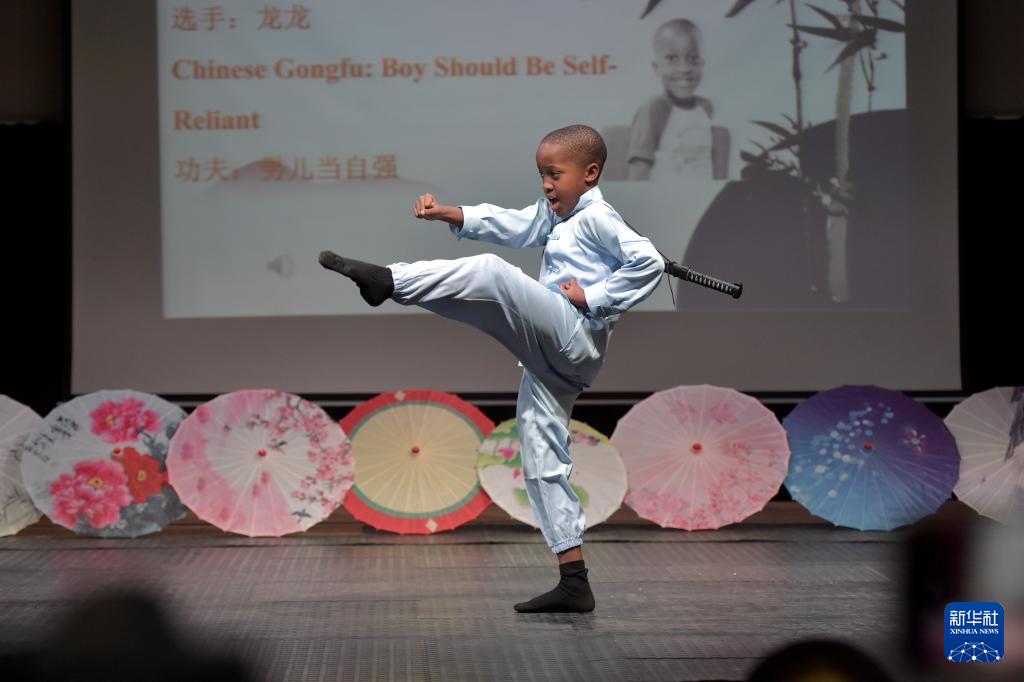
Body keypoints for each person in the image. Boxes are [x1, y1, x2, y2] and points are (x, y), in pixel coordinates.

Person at [319, 124, 664, 613]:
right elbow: (515, 224)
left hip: (574, 335)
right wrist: (450, 213)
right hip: (556, 356)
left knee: (491, 273)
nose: (546, 184)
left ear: (589, 173)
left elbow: (647, 263)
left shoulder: (599, 218)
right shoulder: (558, 215)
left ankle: (390, 281)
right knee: (541, 457)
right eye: (541, 174)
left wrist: (592, 297)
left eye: (554, 174)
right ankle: (574, 581)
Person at [627, 18, 730, 181]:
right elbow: (638, 172)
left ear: (702, 63)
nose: (684, 68)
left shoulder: (706, 108)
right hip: (663, 194)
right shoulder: (654, 108)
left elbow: (719, 172)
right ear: (656, 67)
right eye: (672, 58)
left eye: (693, 59)